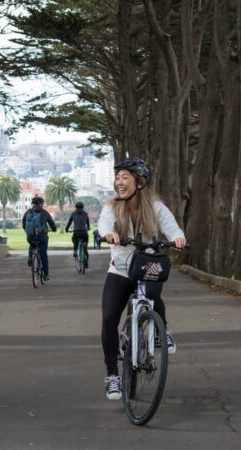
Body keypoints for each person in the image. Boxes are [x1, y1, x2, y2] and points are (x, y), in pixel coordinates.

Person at [96, 158, 186, 400]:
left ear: (140, 182)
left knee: (154, 294)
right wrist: (109, 233)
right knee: (109, 318)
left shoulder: (155, 207)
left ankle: (160, 330)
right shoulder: (112, 206)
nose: (119, 182)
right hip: (120, 269)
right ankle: (113, 376)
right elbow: (104, 223)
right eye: (117, 178)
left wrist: (178, 238)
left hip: (146, 265)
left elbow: (171, 226)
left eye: (125, 177)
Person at [22, 196, 57, 281]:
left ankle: (30, 258)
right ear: (41, 204)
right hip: (42, 237)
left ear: (33, 204)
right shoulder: (44, 213)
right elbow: (52, 224)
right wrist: (54, 229)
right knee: (43, 255)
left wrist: (28, 231)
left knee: (32, 244)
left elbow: (23, 224)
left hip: (30, 236)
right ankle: (46, 275)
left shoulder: (28, 212)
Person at [65, 201, 91, 266]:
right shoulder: (85, 214)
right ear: (83, 207)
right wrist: (88, 227)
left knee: (74, 239)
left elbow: (69, 223)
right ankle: (86, 262)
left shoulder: (73, 214)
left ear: (76, 207)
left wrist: (66, 229)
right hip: (84, 232)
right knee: (85, 247)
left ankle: (75, 251)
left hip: (76, 232)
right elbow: (88, 223)